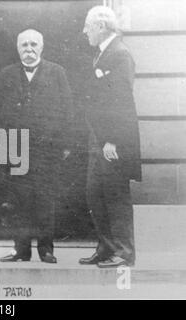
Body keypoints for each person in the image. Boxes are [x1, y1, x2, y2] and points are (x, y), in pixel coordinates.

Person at [0, 29, 73, 264]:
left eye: (33, 45)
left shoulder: (57, 73)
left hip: (47, 149)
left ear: (42, 47)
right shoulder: (6, 75)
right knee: (18, 200)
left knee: (45, 199)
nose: (29, 49)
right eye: (24, 45)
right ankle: (21, 250)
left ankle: (46, 250)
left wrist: (66, 144)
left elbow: (68, 110)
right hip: (16, 148)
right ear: (18, 49)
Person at [79, 6, 141, 268]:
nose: (84, 31)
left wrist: (112, 140)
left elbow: (122, 101)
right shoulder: (104, 52)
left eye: (88, 26)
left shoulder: (119, 54)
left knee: (115, 196)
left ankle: (124, 252)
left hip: (112, 141)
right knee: (95, 194)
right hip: (100, 139)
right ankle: (106, 248)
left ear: (101, 26)